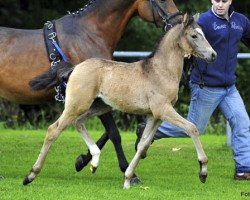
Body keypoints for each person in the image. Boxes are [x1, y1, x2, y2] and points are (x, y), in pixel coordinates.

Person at [137, 0, 250, 180]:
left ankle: (244, 169)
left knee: (242, 123)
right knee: (192, 128)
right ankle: (150, 131)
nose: (220, 4)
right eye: (217, 0)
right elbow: (181, 41)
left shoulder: (241, 21)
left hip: (229, 87)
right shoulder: (203, 21)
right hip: (206, 86)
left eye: (225, 1)